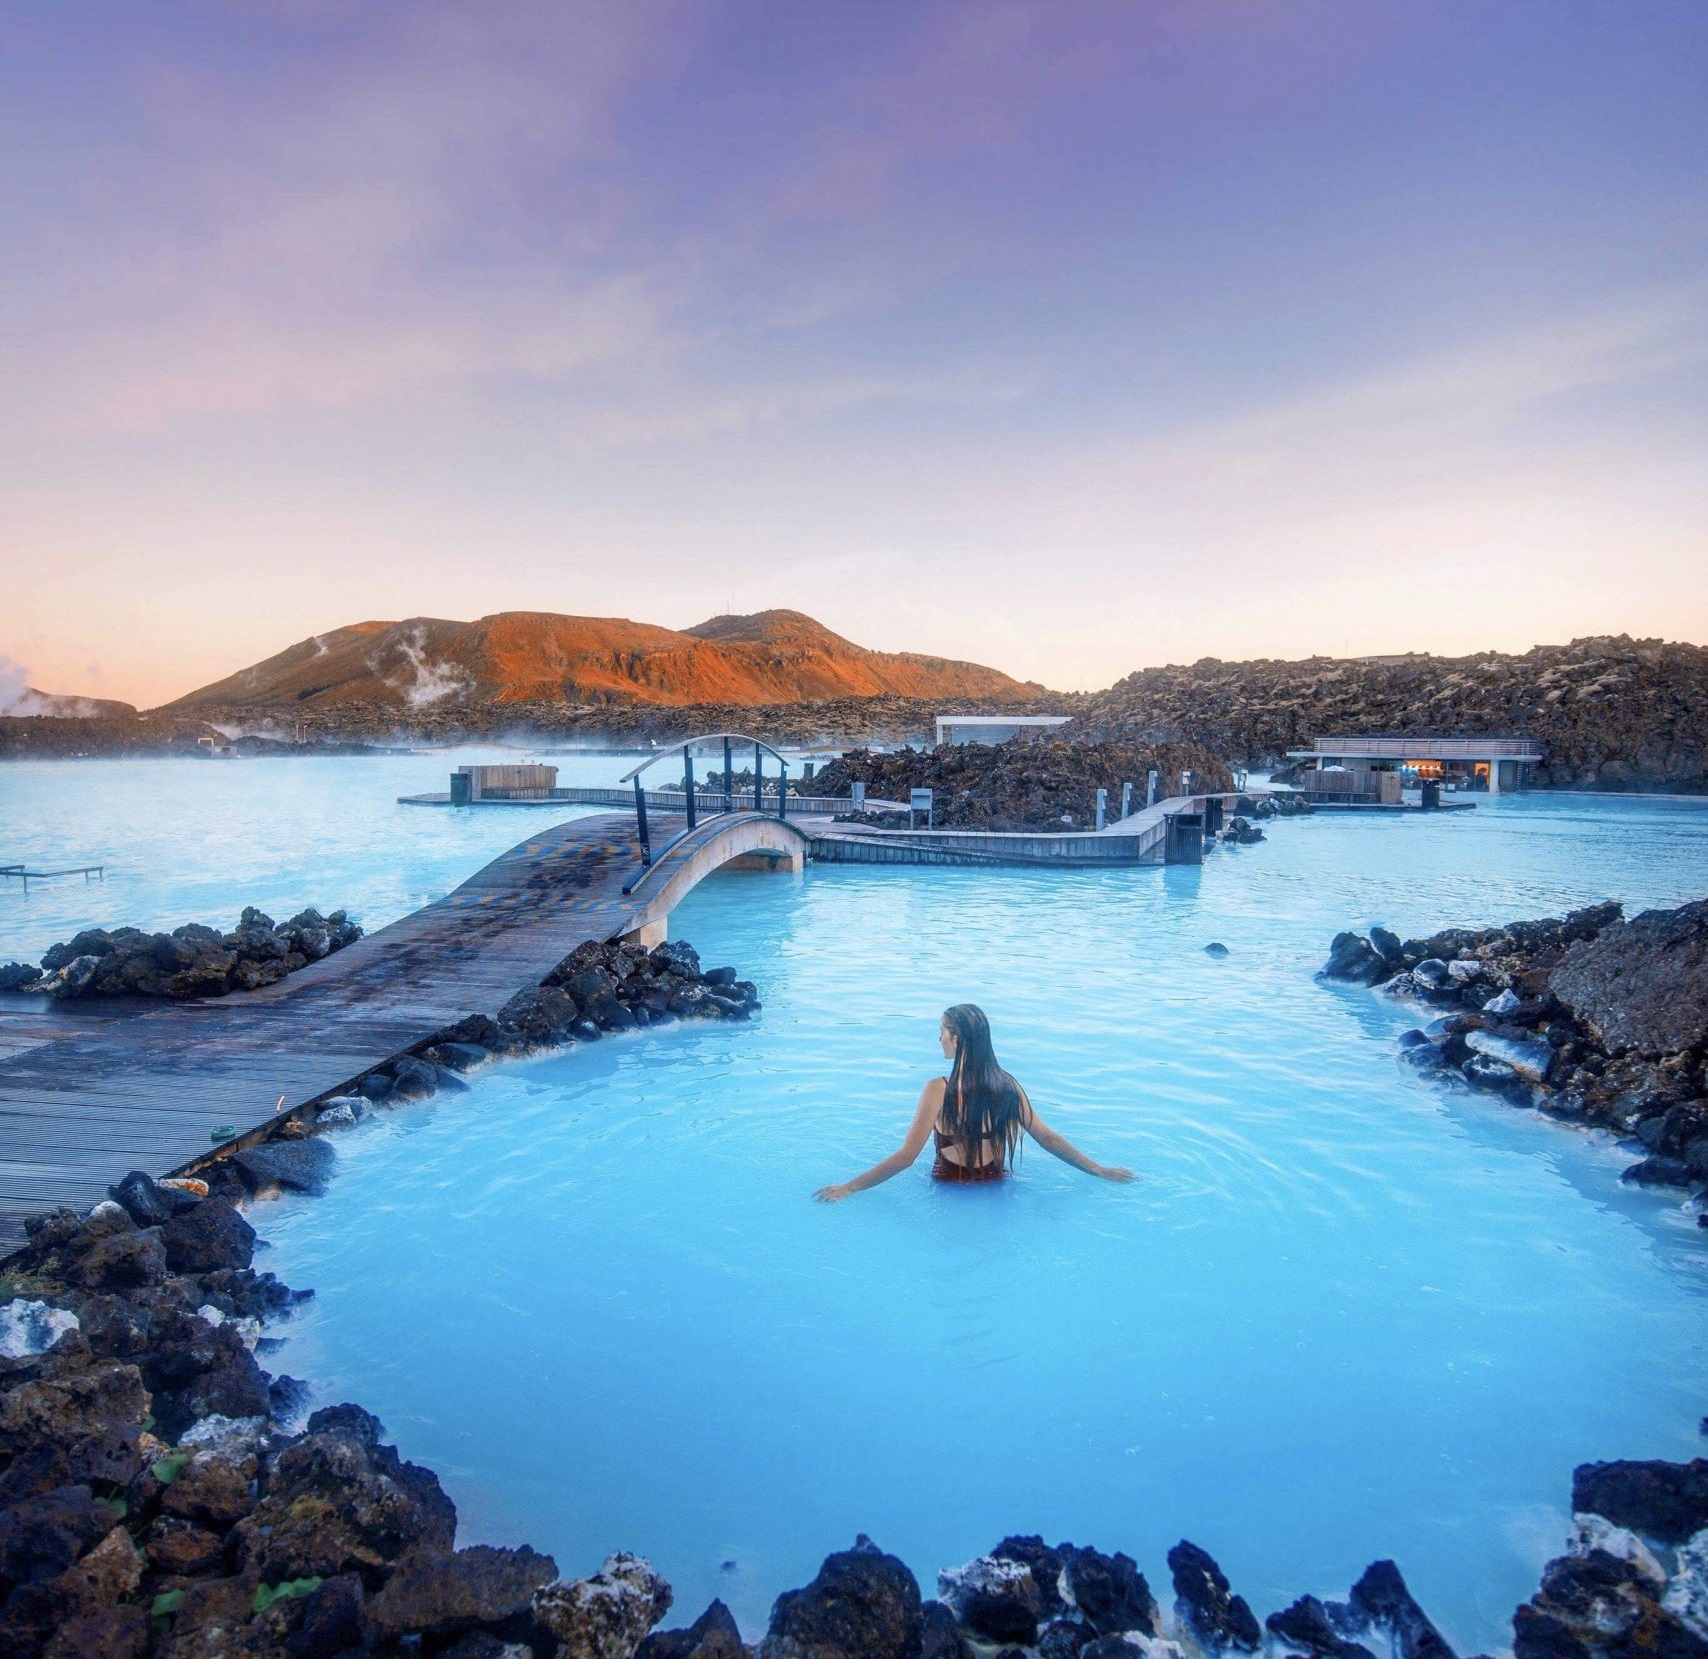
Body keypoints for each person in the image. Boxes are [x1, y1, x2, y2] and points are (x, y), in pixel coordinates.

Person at [813, 1003, 1136, 1201]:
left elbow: (906, 1157)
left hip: (949, 1189)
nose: (938, 1037)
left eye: (941, 1031)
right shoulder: (1007, 1085)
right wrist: (1099, 1170)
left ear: (957, 1039)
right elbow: (1048, 1138)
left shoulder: (937, 1089)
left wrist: (850, 1187)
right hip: (996, 1185)